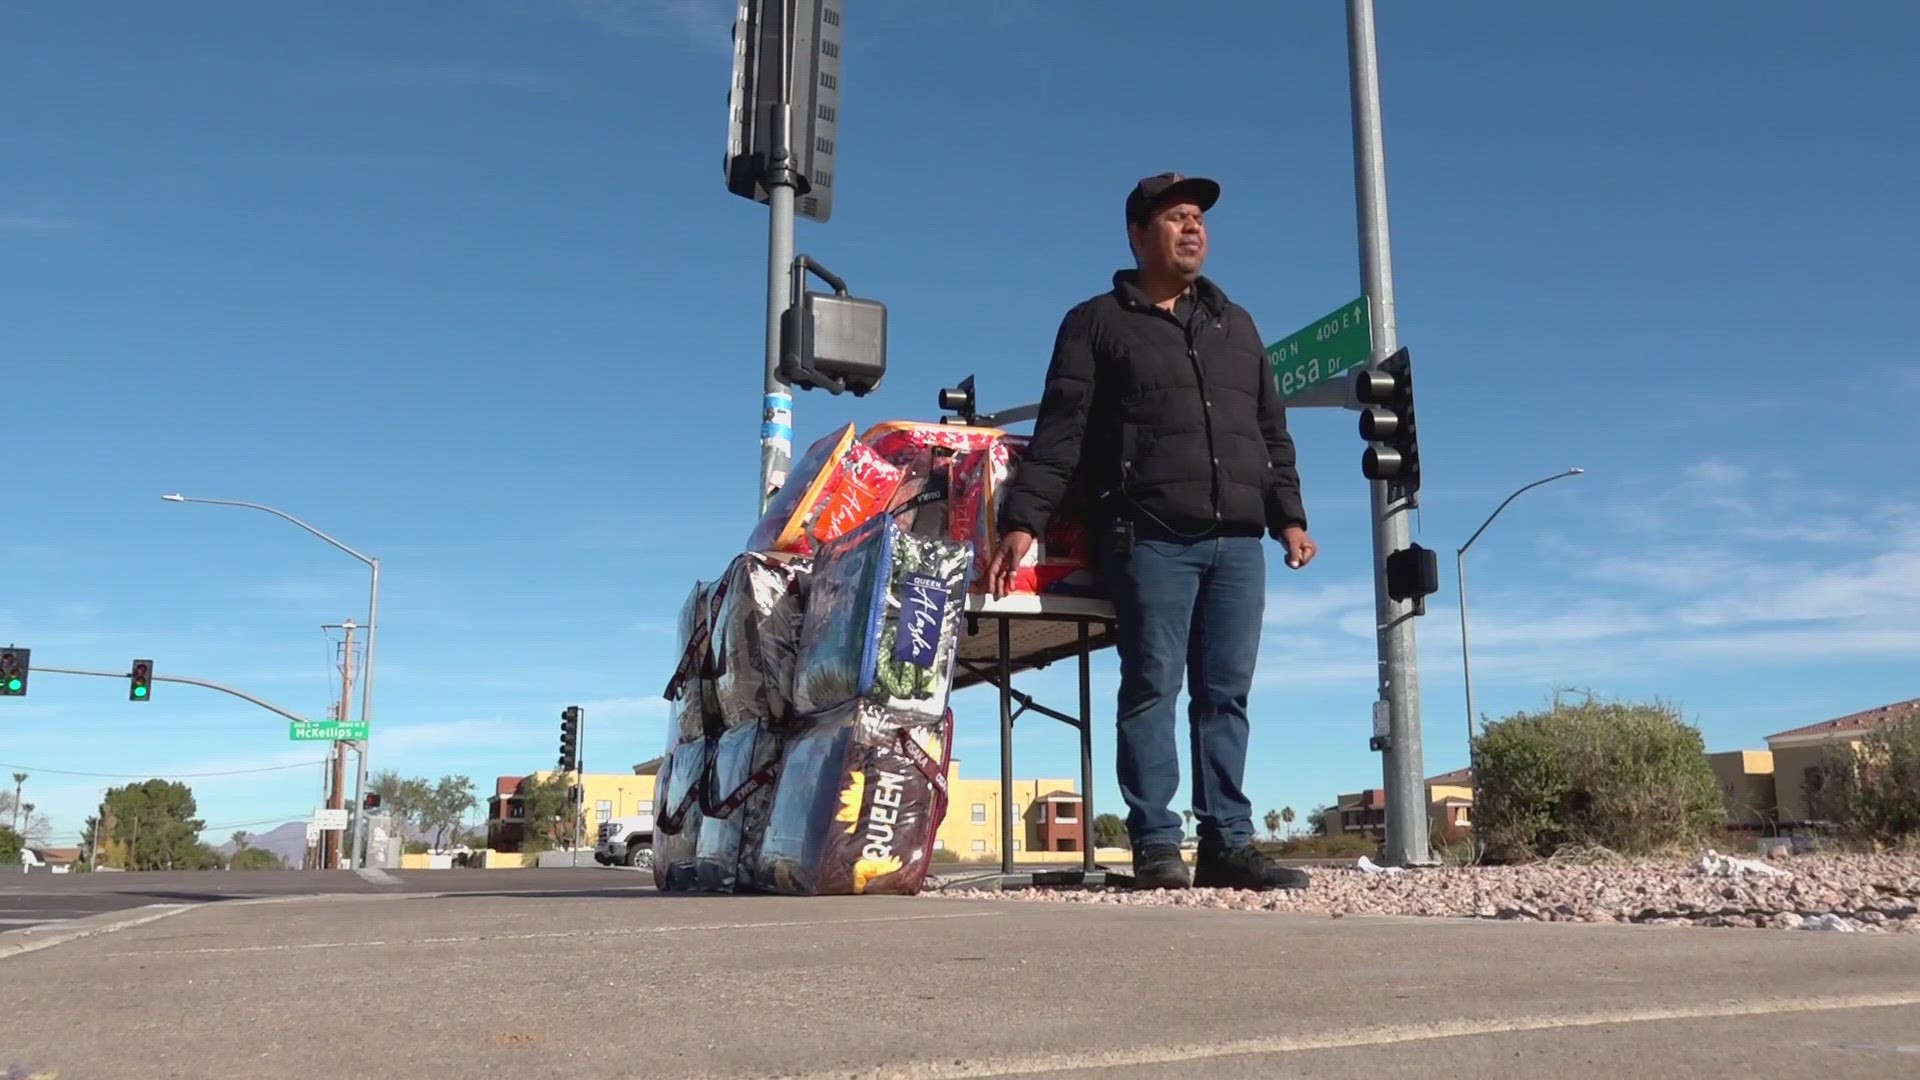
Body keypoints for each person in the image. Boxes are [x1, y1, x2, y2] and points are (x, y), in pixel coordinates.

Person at [985, 172, 1317, 891]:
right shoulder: (1096, 321)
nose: (1193, 228)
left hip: (1238, 542)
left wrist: (1289, 514)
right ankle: (1156, 844)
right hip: (1148, 536)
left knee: (1226, 694)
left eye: (1198, 218)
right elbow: (1061, 431)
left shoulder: (1239, 324)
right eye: (1176, 218)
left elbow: (1270, 432)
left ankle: (1229, 841)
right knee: (1152, 688)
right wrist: (1024, 518)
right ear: (1139, 236)